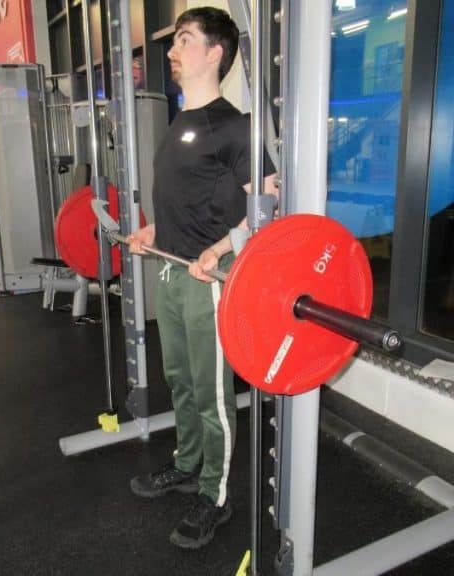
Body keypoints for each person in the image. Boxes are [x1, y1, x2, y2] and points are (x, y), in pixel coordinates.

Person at [125, 7, 277, 549]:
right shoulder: (180, 122)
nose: (172, 49)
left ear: (215, 53)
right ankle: (188, 465)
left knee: (213, 395)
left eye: (184, 40)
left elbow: (267, 203)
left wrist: (217, 251)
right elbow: (187, 201)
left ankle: (215, 494)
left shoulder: (234, 126)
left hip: (208, 281)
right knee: (181, 380)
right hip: (170, 270)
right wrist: (150, 230)